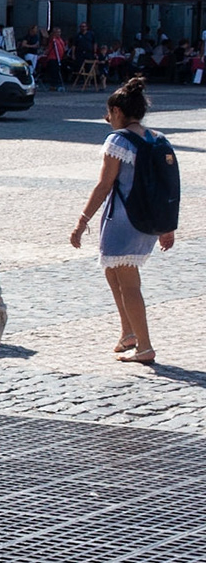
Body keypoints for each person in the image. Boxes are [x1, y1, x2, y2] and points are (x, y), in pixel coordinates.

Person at [71, 78, 179, 364]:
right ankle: (128, 333)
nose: (107, 120)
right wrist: (166, 226)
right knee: (113, 271)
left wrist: (82, 222)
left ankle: (144, 346)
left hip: (123, 219)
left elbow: (104, 185)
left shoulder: (117, 140)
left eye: (109, 113)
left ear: (118, 110)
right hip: (146, 220)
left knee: (129, 283)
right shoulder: (157, 138)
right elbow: (166, 185)